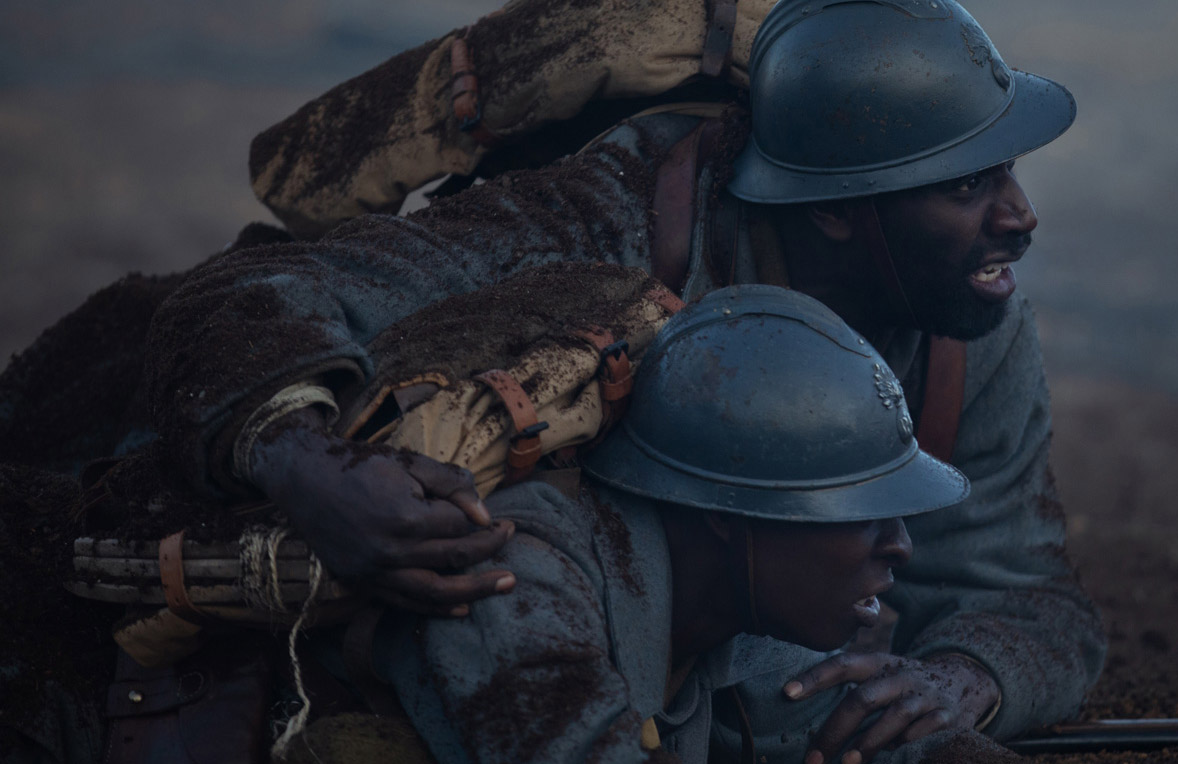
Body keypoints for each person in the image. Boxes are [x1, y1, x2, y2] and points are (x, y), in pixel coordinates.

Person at [142, 0, 1106, 758]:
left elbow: (1021, 591)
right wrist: (316, 472)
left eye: (1009, 172)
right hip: (476, 632)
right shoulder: (600, 227)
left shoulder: (961, 323)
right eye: (969, 184)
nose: (1019, 218)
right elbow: (239, 298)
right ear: (836, 207)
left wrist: (961, 683)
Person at [292, 285, 979, 764]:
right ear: (726, 511)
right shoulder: (516, 577)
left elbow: (871, 731)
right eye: (862, 513)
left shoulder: (735, 610)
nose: (900, 546)